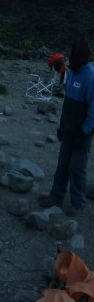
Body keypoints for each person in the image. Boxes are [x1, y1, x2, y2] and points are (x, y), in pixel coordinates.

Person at [39, 39, 94, 216]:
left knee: (77, 168)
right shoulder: (71, 73)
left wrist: (85, 130)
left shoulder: (90, 76)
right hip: (69, 129)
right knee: (62, 165)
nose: (72, 59)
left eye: (75, 56)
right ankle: (56, 196)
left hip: (82, 133)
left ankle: (78, 202)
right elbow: (68, 103)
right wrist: (62, 126)